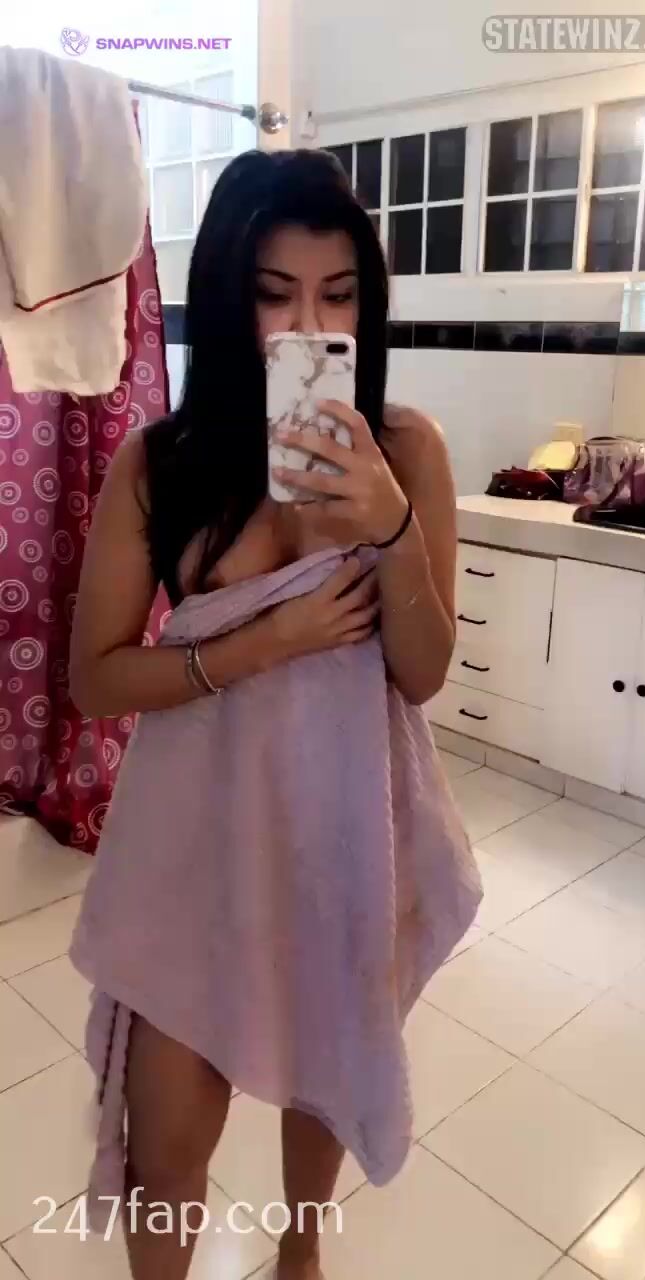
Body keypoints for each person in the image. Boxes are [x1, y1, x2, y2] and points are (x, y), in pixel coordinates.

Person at [69, 148, 481, 1280]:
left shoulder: (408, 452)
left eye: (337, 296)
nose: (307, 326)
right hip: (193, 848)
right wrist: (262, 643)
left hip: (341, 836)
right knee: (166, 1151)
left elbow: (424, 670)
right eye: (273, 294)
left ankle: (302, 1253)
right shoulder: (161, 464)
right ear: (225, 298)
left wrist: (389, 523)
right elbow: (96, 678)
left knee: (326, 1077)